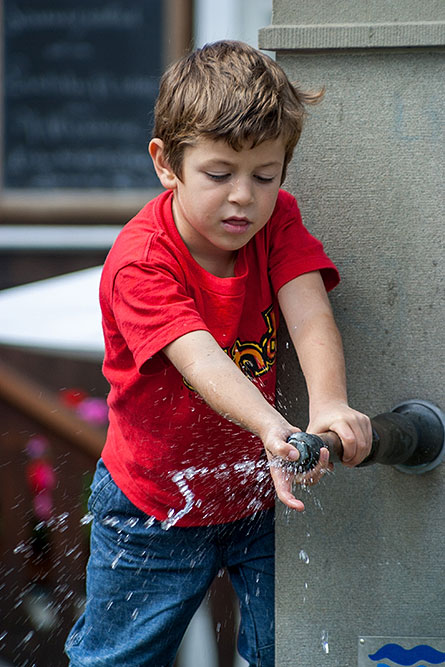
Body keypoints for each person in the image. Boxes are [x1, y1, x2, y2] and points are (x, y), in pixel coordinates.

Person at [65, 40, 372, 667]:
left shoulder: (277, 222)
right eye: (219, 174)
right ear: (165, 163)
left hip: (259, 495)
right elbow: (201, 358)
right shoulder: (141, 261)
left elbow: (310, 313)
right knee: (115, 660)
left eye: (265, 176)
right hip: (154, 502)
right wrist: (271, 425)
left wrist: (331, 404)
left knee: (287, 652)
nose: (244, 198)